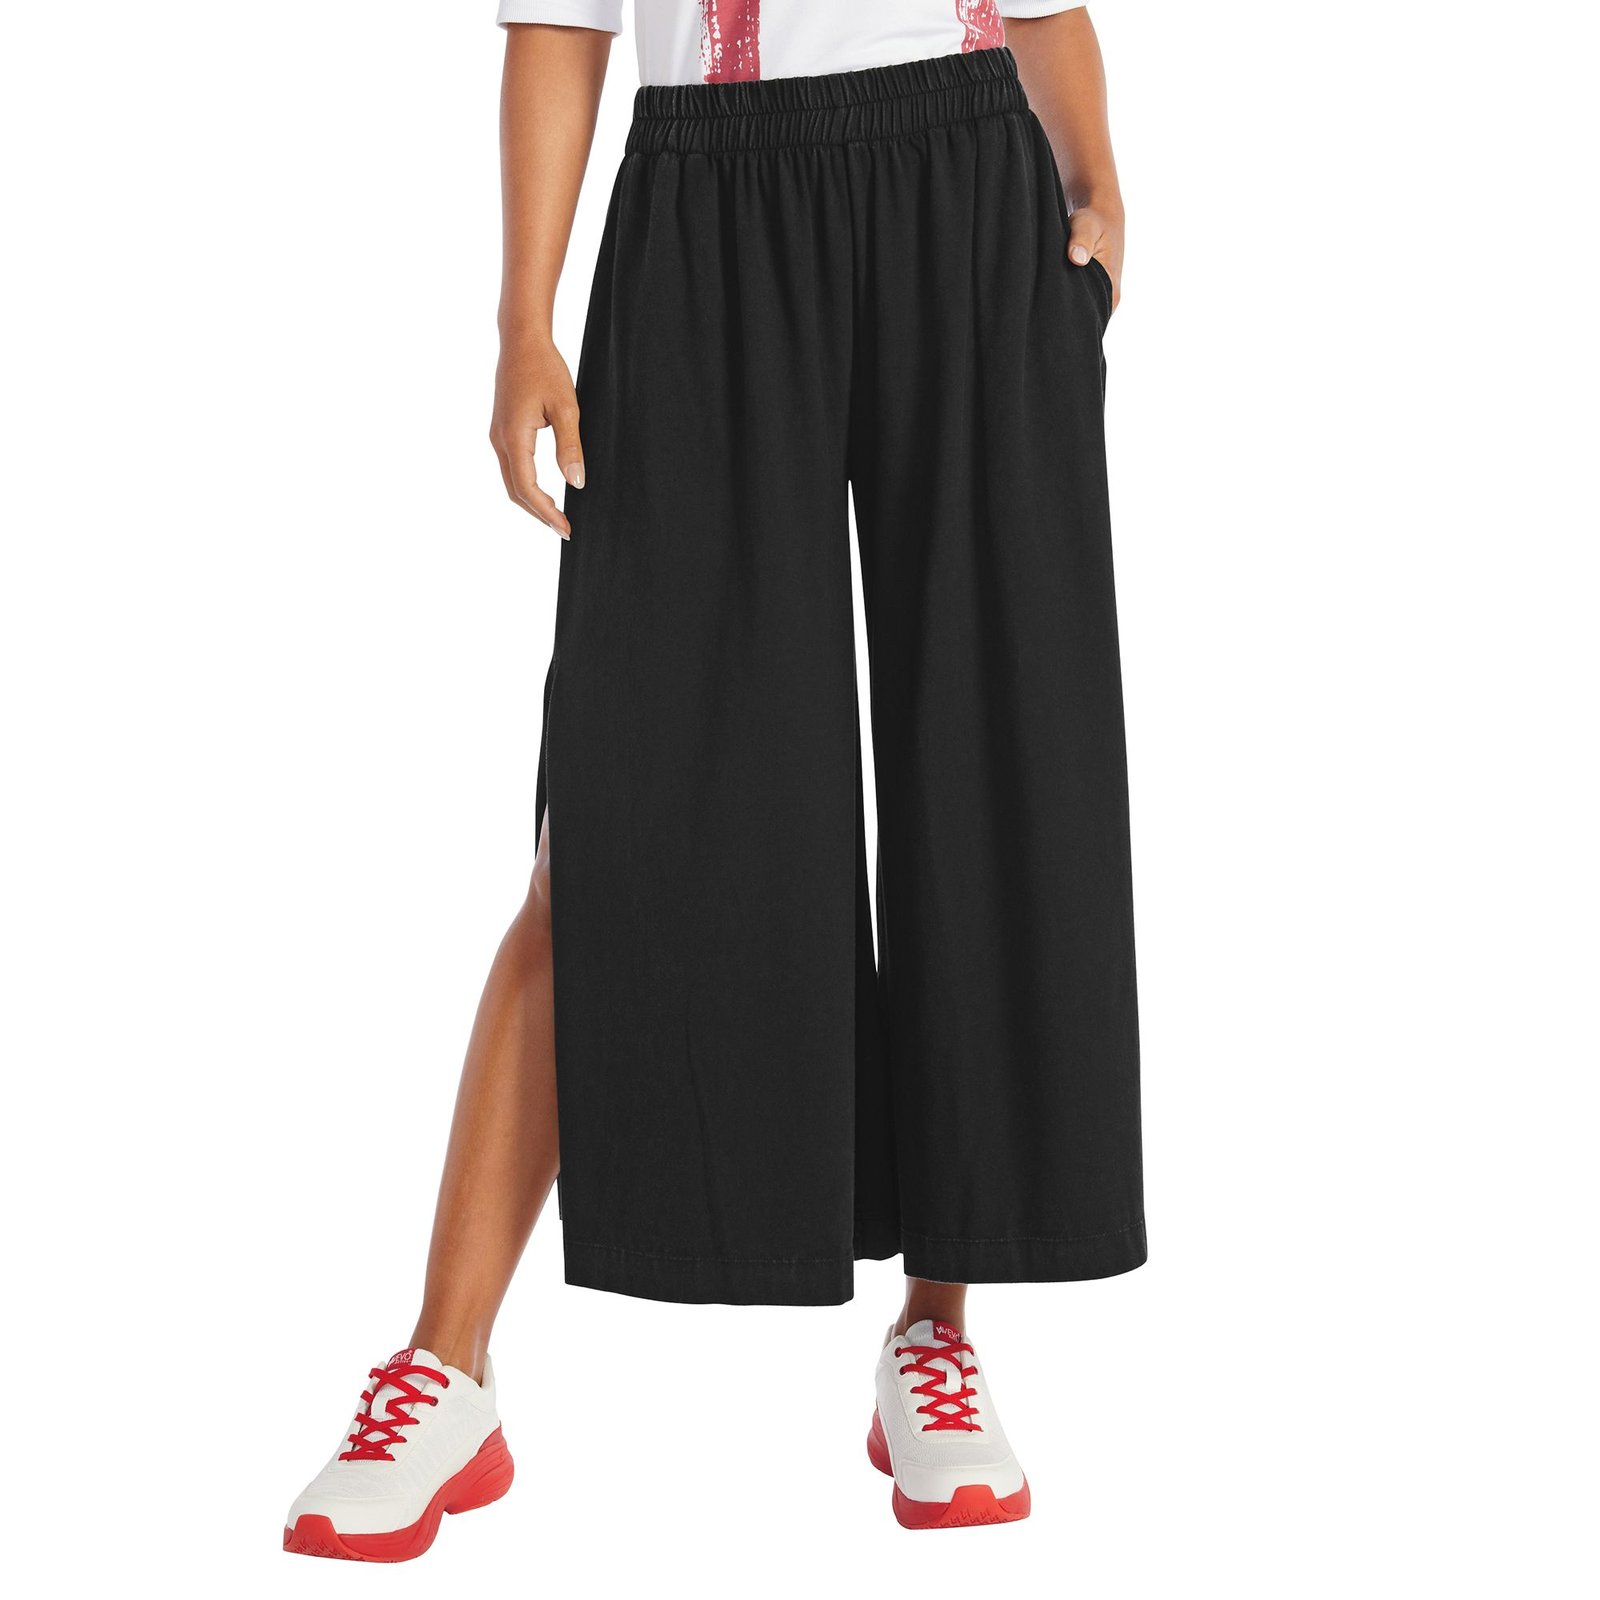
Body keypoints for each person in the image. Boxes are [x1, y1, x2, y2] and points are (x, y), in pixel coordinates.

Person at [285, 0, 1143, 1558]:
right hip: (706, 205)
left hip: (968, 181)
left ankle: (934, 1338)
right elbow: (561, 24)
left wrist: (1098, 183)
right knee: (617, 819)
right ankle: (446, 1366)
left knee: (973, 773)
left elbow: (1043, 8)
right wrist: (523, 322)